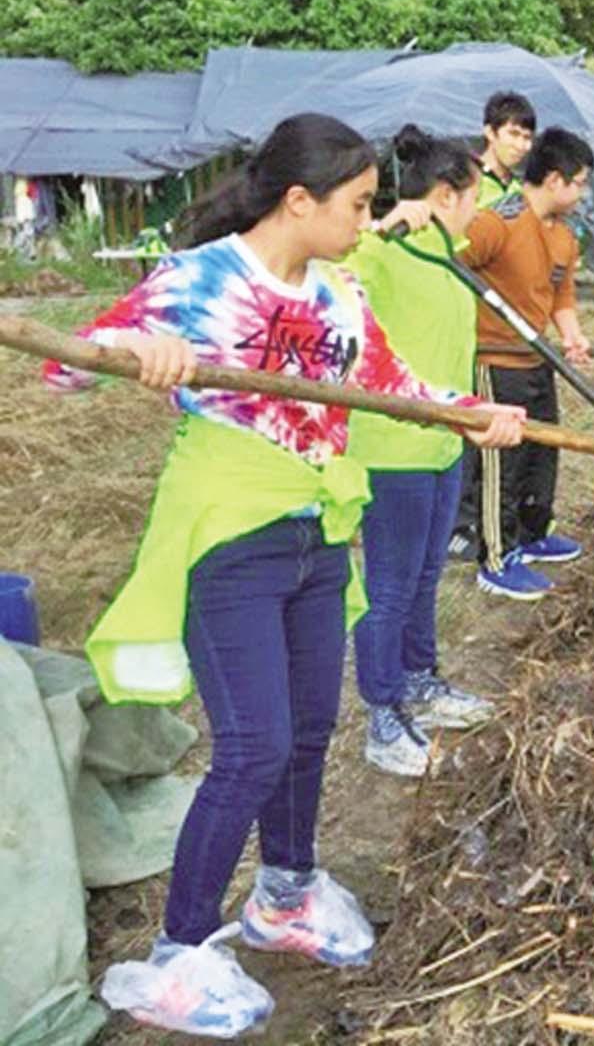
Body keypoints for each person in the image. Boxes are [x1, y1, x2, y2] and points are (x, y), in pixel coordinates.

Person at [45, 113, 525, 1038]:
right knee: (254, 746)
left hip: (317, 532)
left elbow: (393, 387)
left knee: (310, 729)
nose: (367, 220)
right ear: (298, 200)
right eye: (355, 205)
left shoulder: (342, 293)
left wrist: (468, 413)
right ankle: (179, 952)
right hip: (230, 536)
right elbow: (66, 375)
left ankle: (287, 893)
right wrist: (135, 355)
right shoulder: (198, 281)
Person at [343, 125, 496, 778]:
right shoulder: (384, 251)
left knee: (426, 577)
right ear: (443, 194)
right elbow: (321, 273)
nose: (481, 207)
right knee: (389, 586)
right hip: (392, 447)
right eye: (474, 195)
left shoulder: (445, 248)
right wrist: (380, 229)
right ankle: (382, 715)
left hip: (441, 444)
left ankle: (419, 682)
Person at [453, 127, 594, 600]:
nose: (582, 192)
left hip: (538, 357)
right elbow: (451, 263)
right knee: (503, 462)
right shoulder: (498, 222)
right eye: (580, 182)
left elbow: (561, 293)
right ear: (555, 180)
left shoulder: (563, 237)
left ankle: (534, 534)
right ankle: (496, 558)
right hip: (497, 360)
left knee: (541, 453)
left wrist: (572, 335)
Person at [476, 90, 536, 212]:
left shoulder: (520, 188)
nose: (521, 145)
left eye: (527, 137)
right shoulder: (465, 182)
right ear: (490, 133)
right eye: (514, 134)